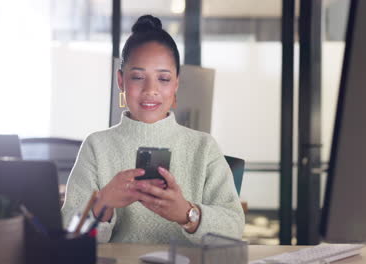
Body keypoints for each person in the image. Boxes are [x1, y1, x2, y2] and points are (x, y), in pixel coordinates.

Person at [61, 14, 244, 245]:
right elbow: (70, 235)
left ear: (176, 83)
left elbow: (234, 228)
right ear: (121, 81)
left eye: (164, 79)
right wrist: (102, 204)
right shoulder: (96, 146)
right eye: (138, 77)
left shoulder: (204, 147)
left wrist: (187, 214)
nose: (151, 90)